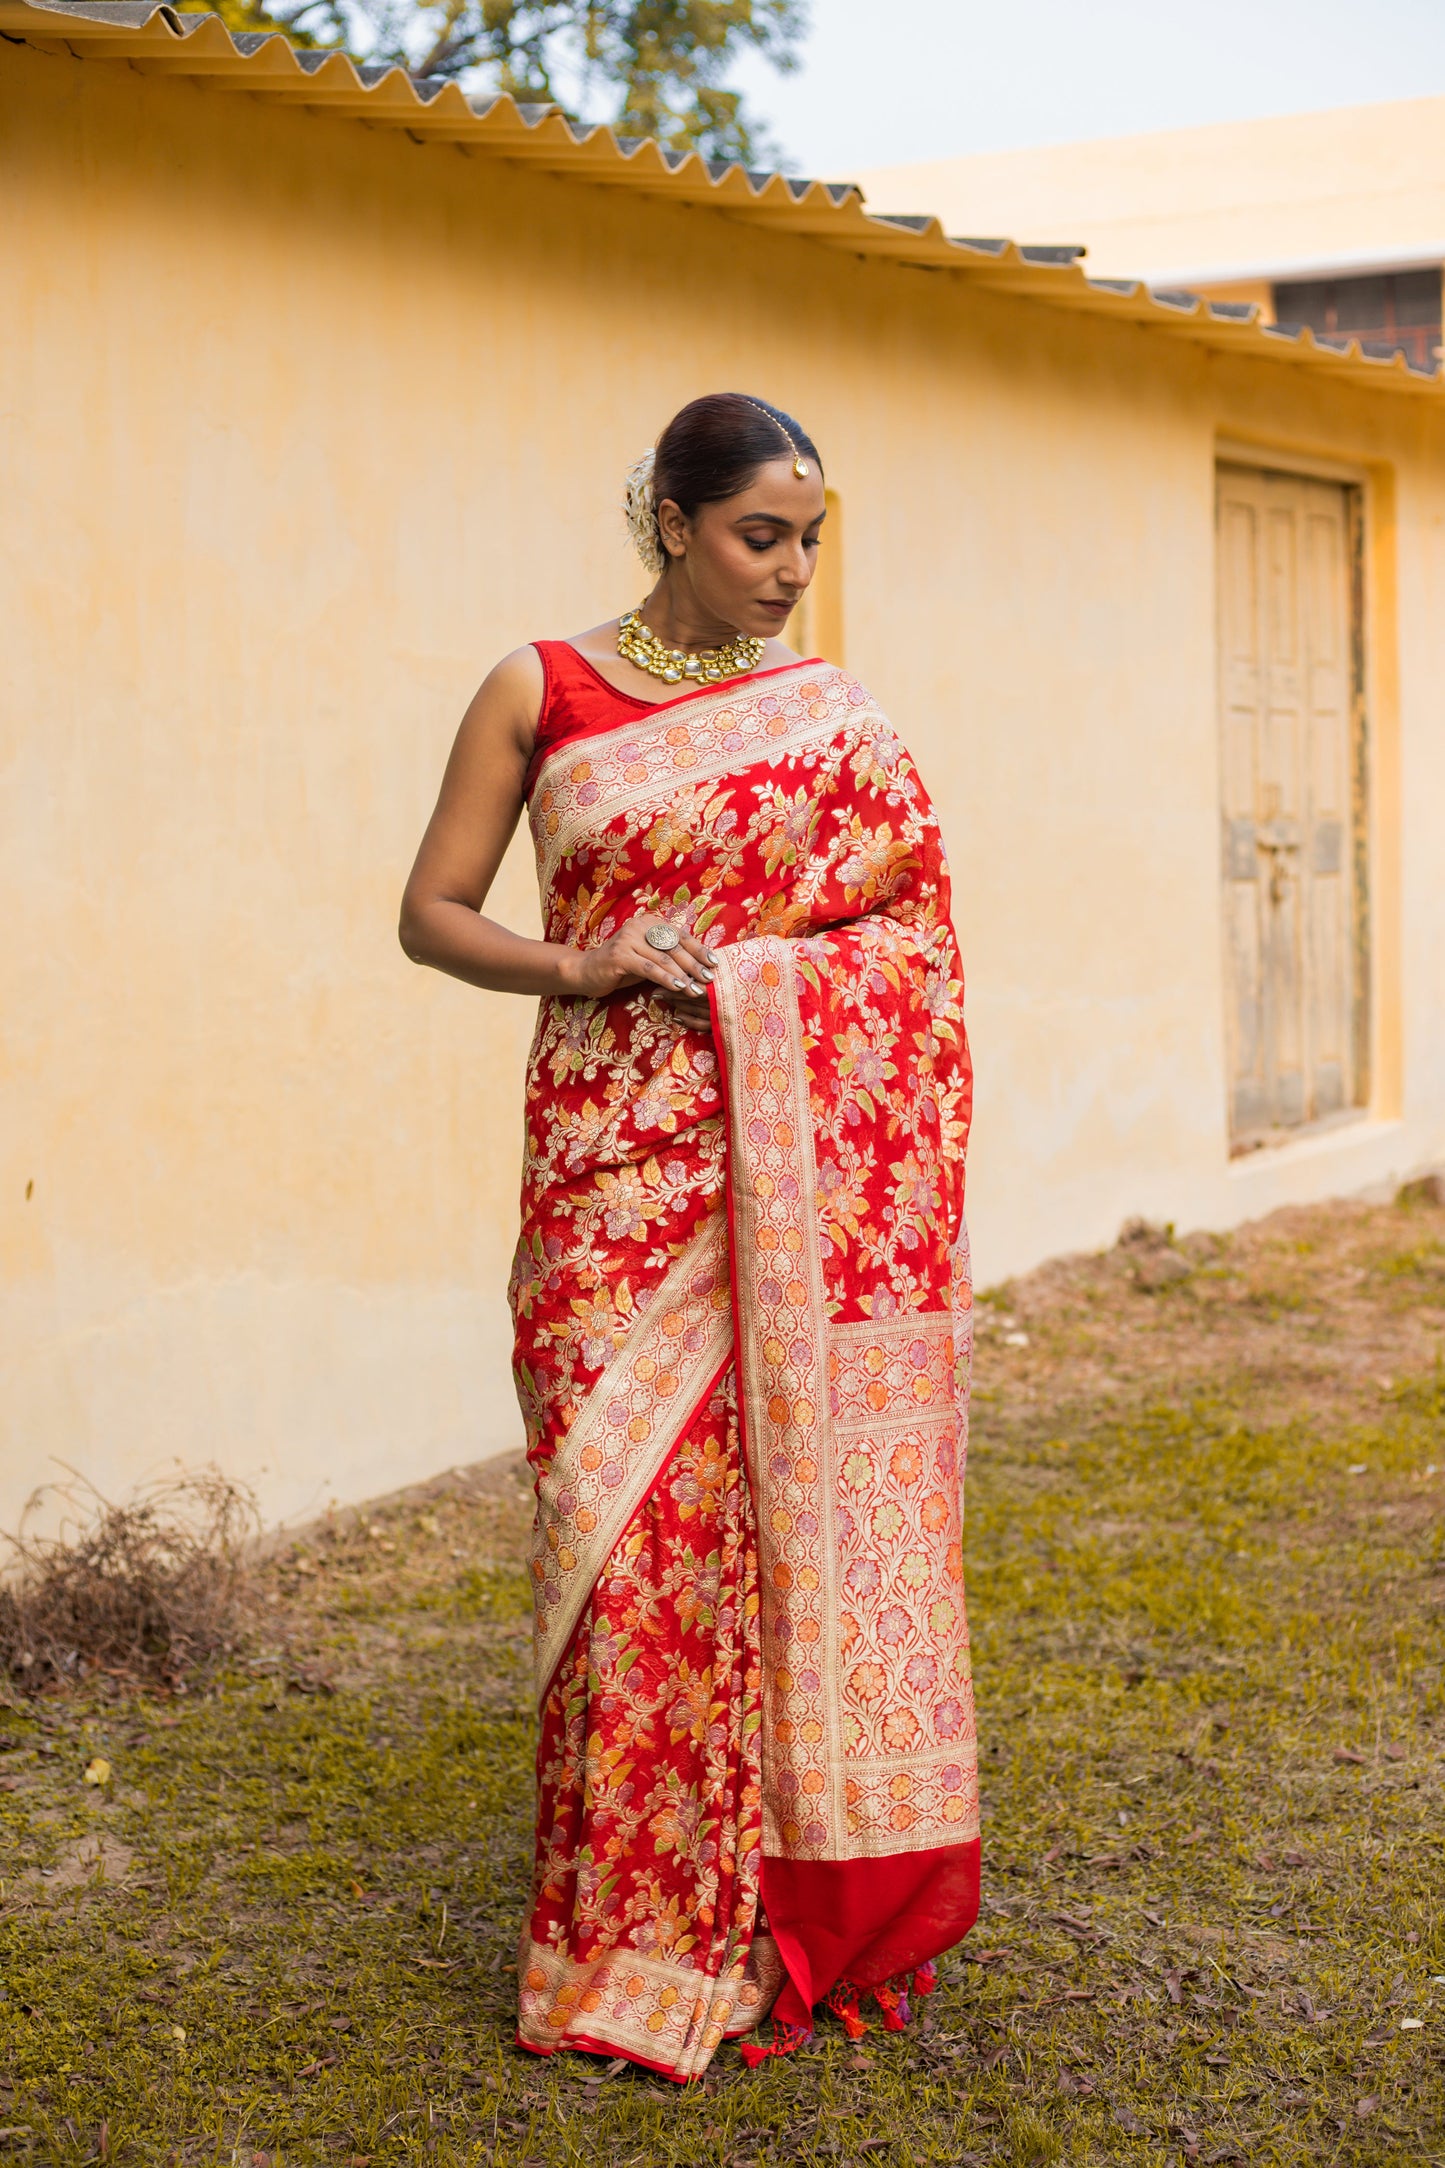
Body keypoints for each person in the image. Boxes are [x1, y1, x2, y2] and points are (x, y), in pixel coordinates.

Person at [399, 392, 979, 2082]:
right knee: (615, 1535)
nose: (792, 572)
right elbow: (429, 913)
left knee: (765, 1527)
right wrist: (584, 966)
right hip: (601, 1175)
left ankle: (749, 1921)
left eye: (810, 540)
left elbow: (910, 941)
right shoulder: (541, 689)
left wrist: (748, 982)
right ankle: (615, 1933)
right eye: (758, 537)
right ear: (669, 519)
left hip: (783, 1182)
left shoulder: (833, 720)